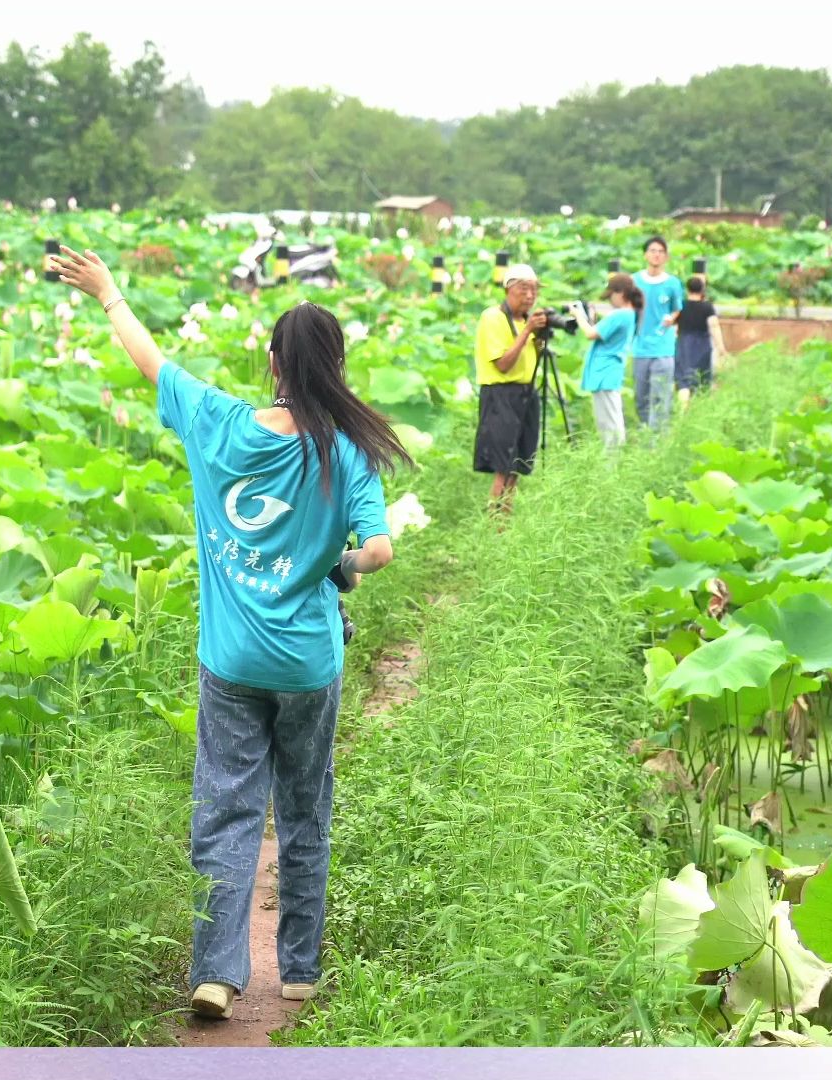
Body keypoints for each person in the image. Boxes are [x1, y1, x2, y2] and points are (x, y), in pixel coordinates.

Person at [47, 246, 411, 1021]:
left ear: (275, 364)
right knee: (306, 807)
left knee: (225, 809)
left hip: (232, 660)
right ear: (335, 366)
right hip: (308, 663)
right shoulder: (347, 451)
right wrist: (339, 566)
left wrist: (108, 291)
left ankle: (215, 972)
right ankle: (301, 971)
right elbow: (379, 550)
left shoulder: (217, 422)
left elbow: (152, 362)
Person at [472, 263, 547, 513]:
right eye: (524, 289)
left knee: (519, 464)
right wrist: (527, 331)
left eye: (534, 290)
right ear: (508, 289)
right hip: (500, 395)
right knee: (503, 466)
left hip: (527, 394)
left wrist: (539, 337)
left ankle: (505, 518)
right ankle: (494, 524)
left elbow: (532, 356)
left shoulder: (527, 320)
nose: (530, 296)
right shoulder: (492, 317)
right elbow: (503, 364)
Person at [575, 273, 641, 448]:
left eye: (611, 296)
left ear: (621, 294)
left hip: (605, 373)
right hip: (608, 373)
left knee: (610, 427)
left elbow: (590, 334)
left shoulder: (620, 315)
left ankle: (612, 467)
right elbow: (599, 331)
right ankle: (613, 464)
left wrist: (578, 315)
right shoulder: (629, 314)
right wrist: (590, 319)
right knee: (610, 423)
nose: (610, 301)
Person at [631, 237, 683, 432]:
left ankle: (658, 441)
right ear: (645, 254)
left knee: (661, 396)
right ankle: (645, 433)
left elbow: (678, 309)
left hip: (663, 348)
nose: (656, 254)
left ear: (666, 257)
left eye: (661, 251)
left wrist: (672, 318)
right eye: (652, 250)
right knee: (641, 396)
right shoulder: (634, 281)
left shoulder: (672, 283)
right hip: (640, 347)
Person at [674, 275, 726, 408]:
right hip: (702, 344)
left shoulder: (681, 305)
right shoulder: (707, 307)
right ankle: (700, 406)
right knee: (701, 376)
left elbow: (673, 324)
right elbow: (714, 326)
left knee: (683, 377)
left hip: (684, 342)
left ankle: (682, 408)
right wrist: (721, 348)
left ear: (687, 289)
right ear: (702, 289)